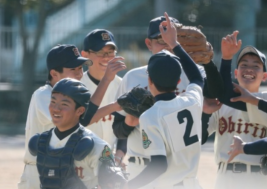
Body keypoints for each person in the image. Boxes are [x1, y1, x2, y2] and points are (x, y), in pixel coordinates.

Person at [112, 13, 222, 182]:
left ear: (149, 81)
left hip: (160, 176)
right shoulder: (191, 95)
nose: (167, 46)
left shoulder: (150, 116)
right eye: (161, 40)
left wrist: (208, 63)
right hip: (148, 169)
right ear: (148, 43)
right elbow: (118, 129)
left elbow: (216, 93)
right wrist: (128, 123)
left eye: (171, 39)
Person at [18, 44, 124, 189]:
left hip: (64, 169)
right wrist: (113, 101)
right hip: (37, 171)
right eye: (73, 69)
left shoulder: (70, 96)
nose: (79, 74)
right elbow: (84, 118)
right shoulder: (44, 95)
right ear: (54, 74)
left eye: (80, 68)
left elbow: (85, 114)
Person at [124, 12, 204, 189]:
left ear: (149, 81)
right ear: (178, 82)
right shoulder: (192, 100)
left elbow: (159, 165)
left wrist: (128, 186)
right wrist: (175, 44)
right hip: (192, 184)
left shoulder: (150, 116)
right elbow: (197, 78)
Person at [28, 78, 126, 189]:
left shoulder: (97, 146)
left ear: (80, 111)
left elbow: (113, 185)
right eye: (53, 102)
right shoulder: (41, 142)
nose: (56, 109)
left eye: (64, 104)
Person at [203, 31, 267, 189]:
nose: (249, 69)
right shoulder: (221, 103)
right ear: (236, 73)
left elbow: (229, 96)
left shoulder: (264, 99)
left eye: (256, 66)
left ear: (264, 76)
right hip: (225, 176)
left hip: (259, 177)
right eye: (244, 65)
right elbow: (201, 138)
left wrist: (225, 58)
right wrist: (205, 113)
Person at [81, 29, 127, 165]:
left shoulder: (122, 85)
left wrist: (119, 156)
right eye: (99, 52)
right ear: (85, 55)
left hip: (108, 161)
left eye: (110, 52)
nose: (106, 58)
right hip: (80, 162)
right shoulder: (76, 86)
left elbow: (124, 127)